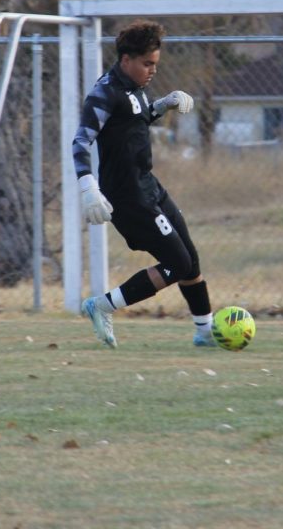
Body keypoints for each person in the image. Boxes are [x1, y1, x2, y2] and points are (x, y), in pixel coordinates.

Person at [72, 20, 213, 348]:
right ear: (126, 61)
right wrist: (87, 186)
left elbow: (134, 118)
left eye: (155, 64)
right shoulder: (103, 93)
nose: (152, 70)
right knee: (177, 264)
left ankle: (206, 333)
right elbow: (80, 141)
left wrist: (162, 105)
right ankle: (101, 306)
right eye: (147, 64)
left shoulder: (132, 87)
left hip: (147, 184)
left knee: (189, 258)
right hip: (128, 198)